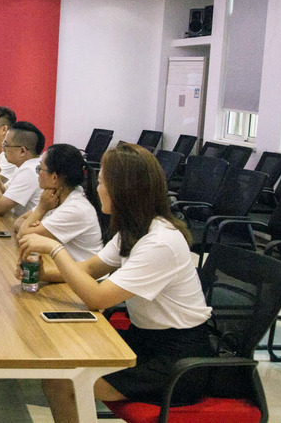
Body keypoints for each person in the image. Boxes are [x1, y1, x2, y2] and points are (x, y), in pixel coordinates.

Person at [17, 143, 213, 422]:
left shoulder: (160, 242)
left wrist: (55, 250)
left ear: (123, 190)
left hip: (178, 359)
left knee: (66, 382)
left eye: (101, 183)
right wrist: (43, 272)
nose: (97, 189)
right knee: (59, 370)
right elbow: (89, 268)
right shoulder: (134, 230)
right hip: (145, 339)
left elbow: (97, 297)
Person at [15, 143, 103, 262]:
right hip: (61, 266)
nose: (38, 173)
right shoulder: (55, 196)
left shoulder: (75, 208)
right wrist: (32, 227)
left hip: (81, 271)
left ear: (54, 177)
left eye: (40, 169)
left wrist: (41, 209)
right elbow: (19, 221)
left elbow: (22, 235)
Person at [0, 121, 45, 217]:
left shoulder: (30, 171)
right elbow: (5, 191)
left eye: (6, 145)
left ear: (22, 151)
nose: (3, 149)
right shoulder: (27, 165)